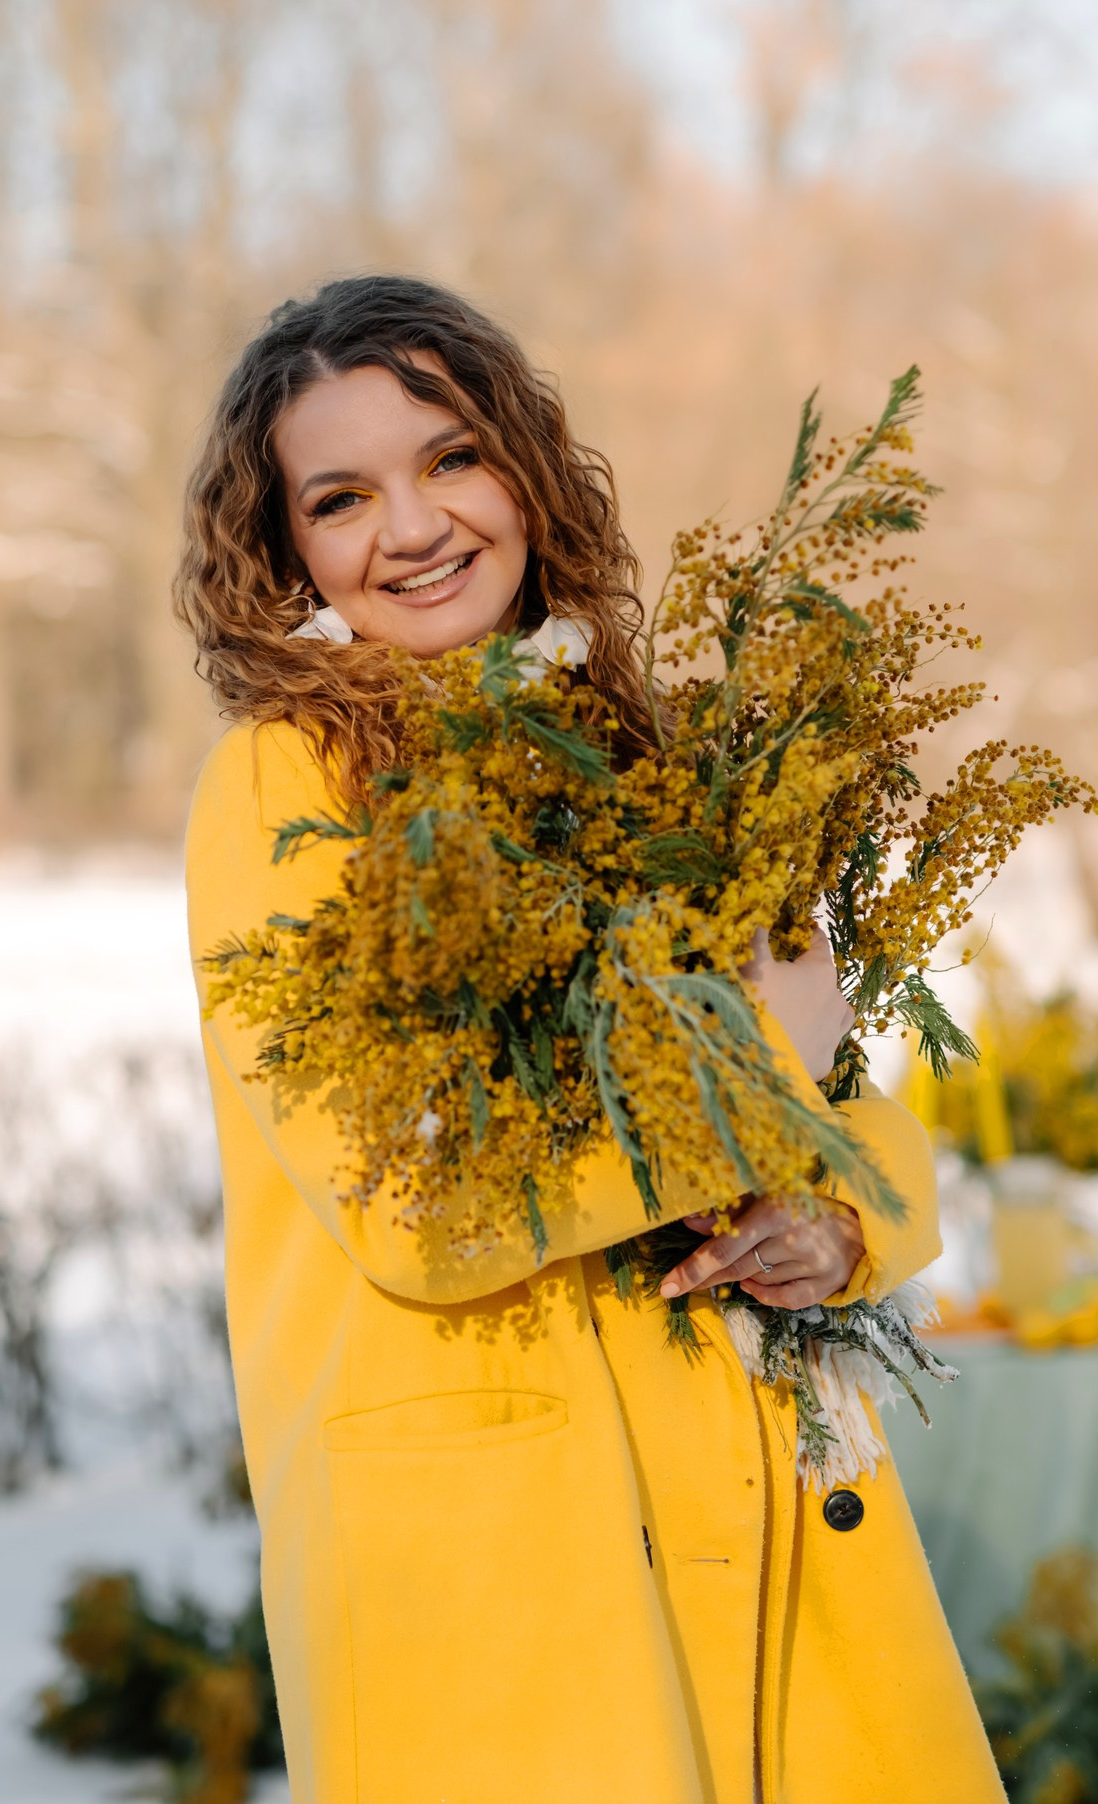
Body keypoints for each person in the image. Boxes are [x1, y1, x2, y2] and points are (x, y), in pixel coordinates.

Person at [176, 275, 1005, 1803]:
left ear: (526, 471)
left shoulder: (643, 756)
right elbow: (413, 1203)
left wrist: (830, 1222)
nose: (412, 526)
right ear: (286, 549)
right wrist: (749, 1080)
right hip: (511, 1578)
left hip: (757, 1511)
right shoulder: (288, 784)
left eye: (452, 458)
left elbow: (843, 1098)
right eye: (342, 496)